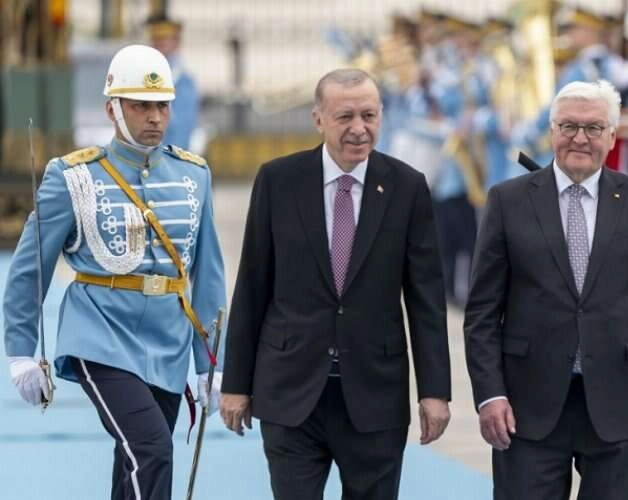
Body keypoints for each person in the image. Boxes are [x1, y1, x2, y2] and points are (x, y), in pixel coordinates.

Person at [3, 44, 226, 499]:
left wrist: (211, 364)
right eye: (141, 105)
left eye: (162, 105)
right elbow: (31, 266)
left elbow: (207, 275)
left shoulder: (195, 176)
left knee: (134, 463)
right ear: (112, 109)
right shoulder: (71, 176)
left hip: (168, 343)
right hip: (98, 336)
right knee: (152, 450)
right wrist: (21, 350)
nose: (155, 118)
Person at [220, 68, 451, 500]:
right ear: (318, 119)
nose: (359, 129)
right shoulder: (278, 181)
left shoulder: (407, 187)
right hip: (291, 390)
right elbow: (252, 284)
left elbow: (426, 300)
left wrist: (435, 392)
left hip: (374, 396)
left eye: (369, 115)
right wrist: (235, 383)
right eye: (345, 116)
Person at [464, 79, 628, 499]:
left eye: (593, 128)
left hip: (619, 402)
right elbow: (481, 313)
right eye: (568, 126)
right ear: (551, 131)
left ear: (612, 136)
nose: (580, 138)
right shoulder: (507, 201)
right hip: (526, 407)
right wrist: (489, 394)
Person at [145, 13, 199, 150]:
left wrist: (172, 157)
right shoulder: (145, 74)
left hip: (169, 152)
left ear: (176, 42)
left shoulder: (182, 80)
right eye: (156, 39)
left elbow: (182, 127)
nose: (158, 44)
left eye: (164, 39)